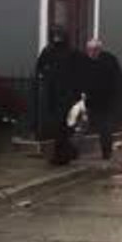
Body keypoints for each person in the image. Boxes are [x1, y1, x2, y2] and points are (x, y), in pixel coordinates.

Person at [35, 26, 84, 165]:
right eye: (55, 36)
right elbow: (40, 67)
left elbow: (80, 72)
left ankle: (62, 154)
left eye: (59, 36)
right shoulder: (48, 51)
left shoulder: (73, 53)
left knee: (63, 125)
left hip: (68, 94)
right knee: (59, 125)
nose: (57, 38)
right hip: (53, 94)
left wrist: (77, 92)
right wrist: (46, 76)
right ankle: (66, 152)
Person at [83, 39, 122, 159]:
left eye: (94, 50)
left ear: (99, 50)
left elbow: (117, 78)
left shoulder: (109, 59)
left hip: (106, 99)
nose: (91, 53)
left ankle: (106, 151)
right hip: (90, 99)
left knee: (105, 126)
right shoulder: (85, 61)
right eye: (89, 50)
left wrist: (114, 95)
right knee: (88, 124)